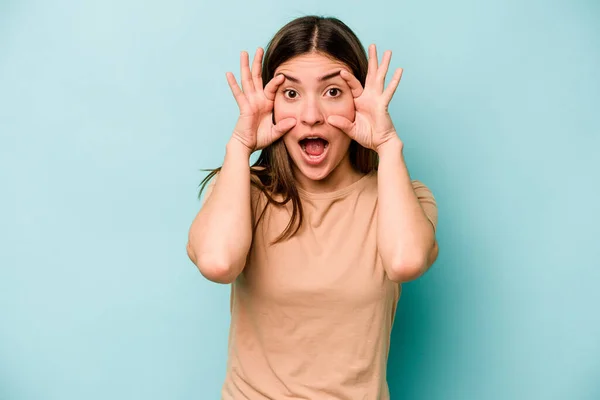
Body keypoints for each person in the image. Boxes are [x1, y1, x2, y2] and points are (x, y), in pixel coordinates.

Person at [186, 15, 439, 400]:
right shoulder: (243, 190)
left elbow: (406, 262)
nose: (310, 115)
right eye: (291, 94)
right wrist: (240, 144)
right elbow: (218, 263)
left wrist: (387, 145)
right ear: (270, 104)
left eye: (333, 92)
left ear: (359, 101)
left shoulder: (402, 196)